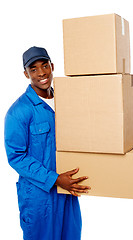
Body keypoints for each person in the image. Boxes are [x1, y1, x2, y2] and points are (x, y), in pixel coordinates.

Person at [4, 46, 91, 240]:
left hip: (67, 191)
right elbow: (16, 157)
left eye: (45, 66)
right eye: (33, 69)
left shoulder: (66, 101)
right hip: (39, 197)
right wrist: (55, 179)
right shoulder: (18, 111)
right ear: (25, 73)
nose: (41, 73)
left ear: (52, 66)